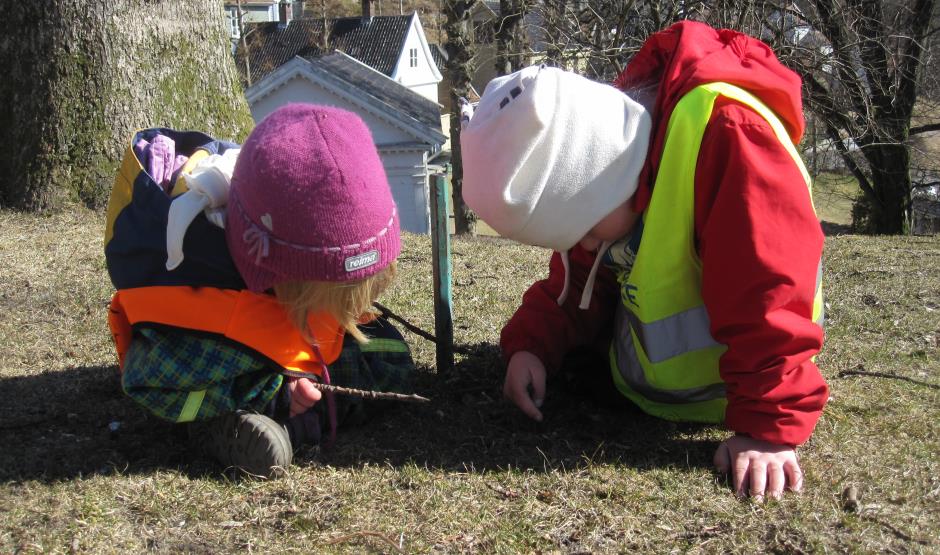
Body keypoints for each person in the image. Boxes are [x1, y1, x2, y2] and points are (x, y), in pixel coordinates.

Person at [460, 20, 827, 501]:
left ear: (601, 182)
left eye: (586, 231)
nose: (587, 246)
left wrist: (767, 428)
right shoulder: (615, 171)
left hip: (733, 399)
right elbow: (578, 280)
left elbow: (768, 292)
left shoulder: (728, 137)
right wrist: (531, 346)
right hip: (655, 396)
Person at [104, 103, 415, 477]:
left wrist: (312, 374)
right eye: (336, 294)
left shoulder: (298, 260)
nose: (352, 308)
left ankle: (310, 410)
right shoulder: (204, 298)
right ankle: (217, 425)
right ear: (277, 275)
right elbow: (146, 381)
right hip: (227, 352)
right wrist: (273, 394)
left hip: (287, 325)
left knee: (390, 356)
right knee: (204, 388)